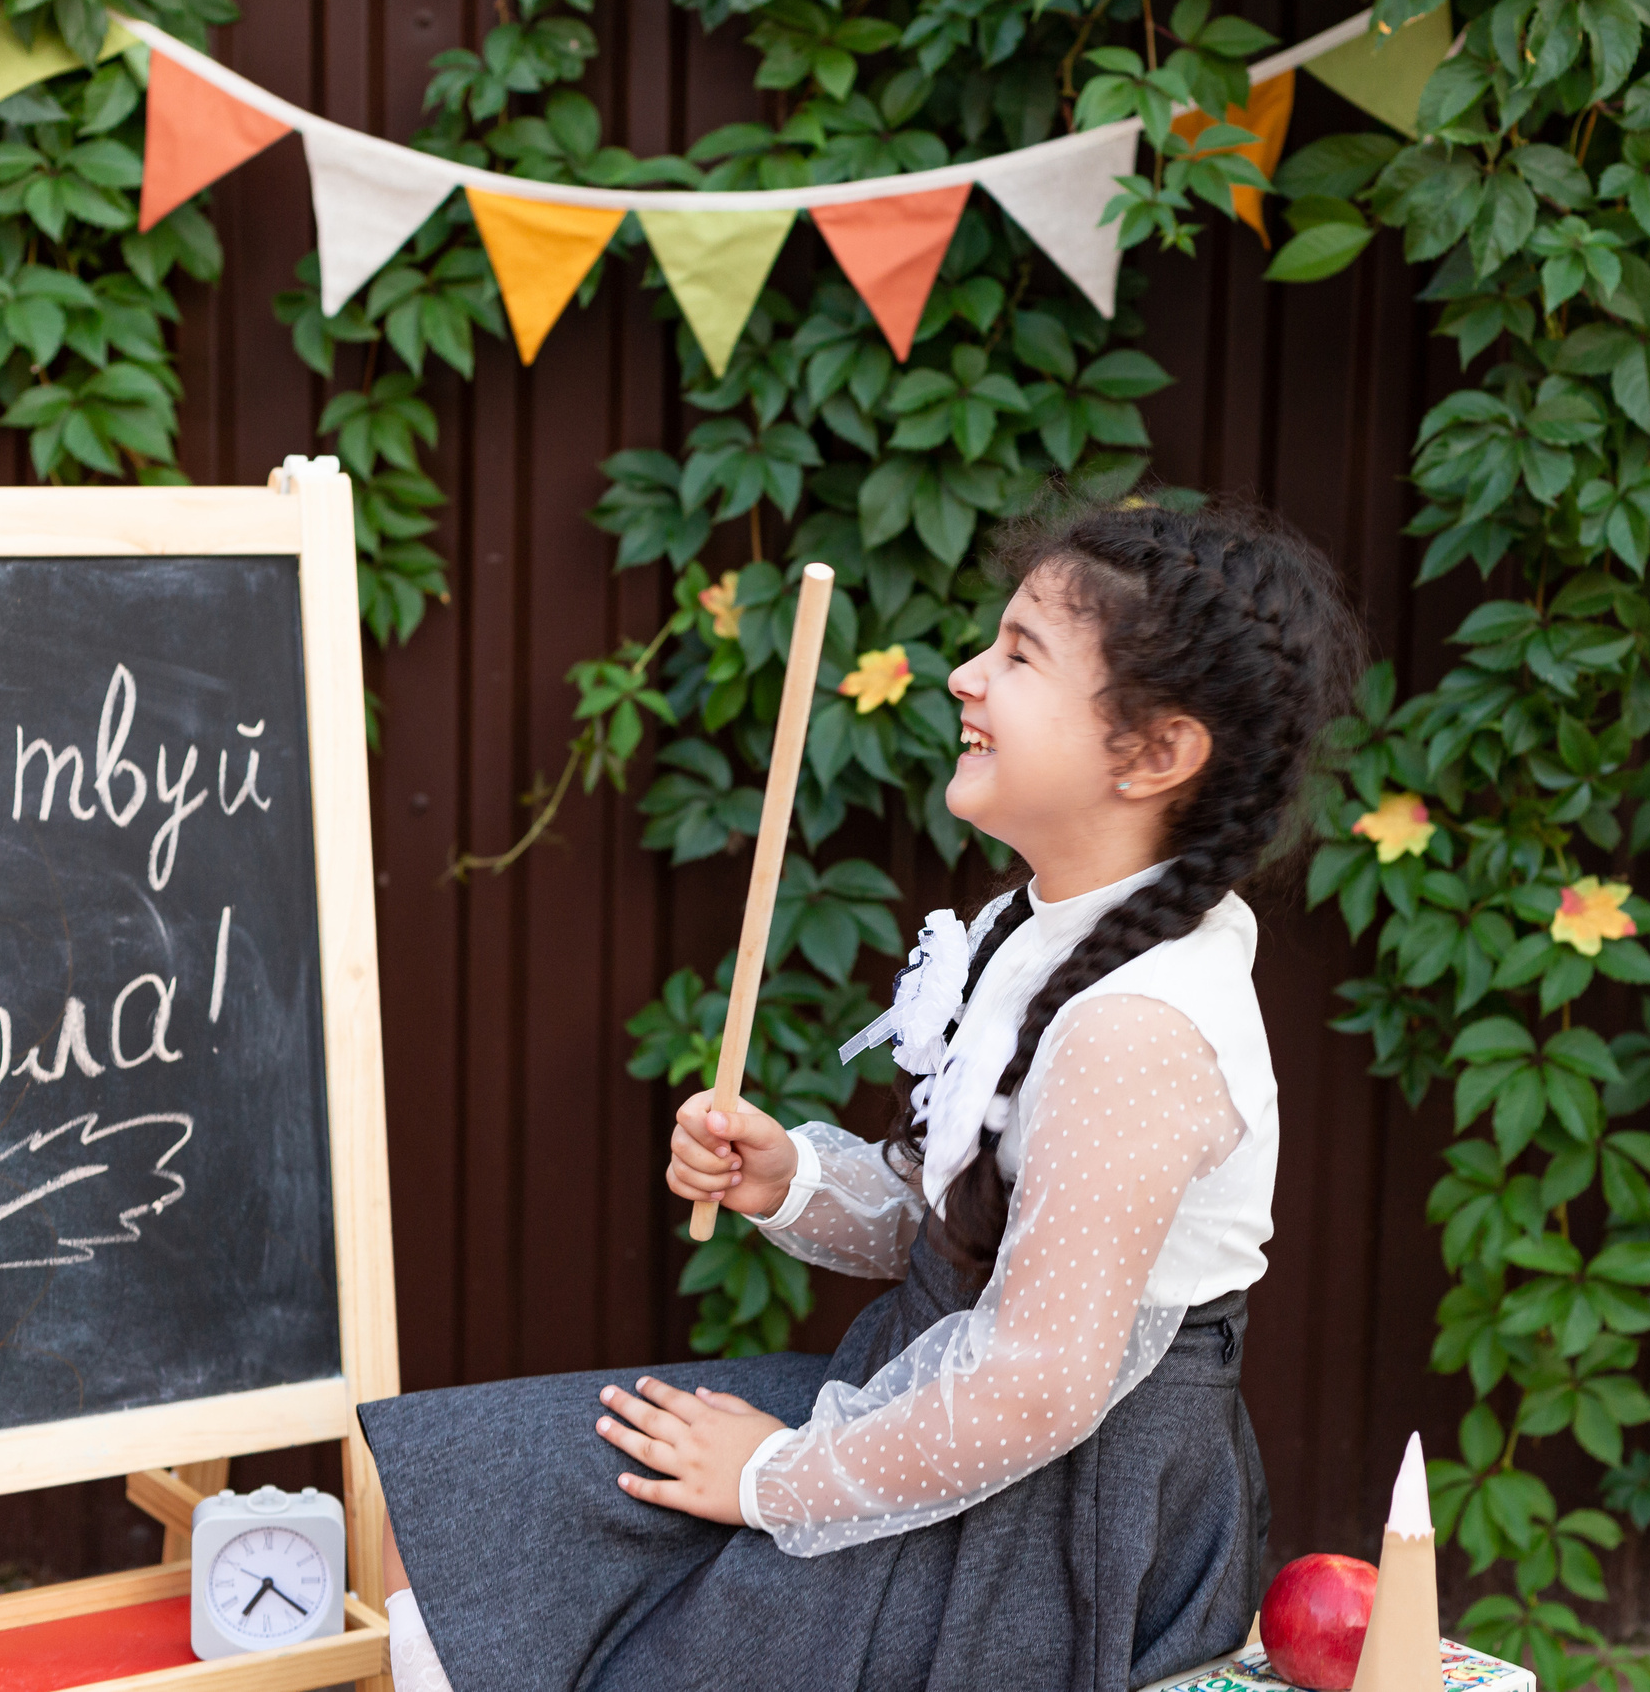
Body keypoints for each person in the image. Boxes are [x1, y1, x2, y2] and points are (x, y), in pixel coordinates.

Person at [360, 498, 1365, 1692]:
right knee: (476, 1497)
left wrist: (772, 1480)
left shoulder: (1137, 1031)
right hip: (925, 1403)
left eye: (1019, 656)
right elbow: (954, 1228)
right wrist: (791, 1179)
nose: (962, 677)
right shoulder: (1025, 928)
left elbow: (1037, 1383)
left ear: (1154, 753)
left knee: (551, 1578)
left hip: (1051, 1511)